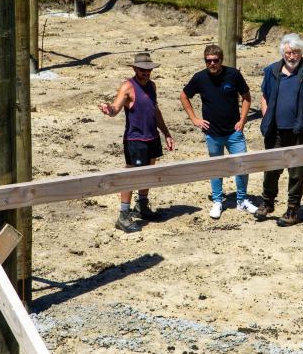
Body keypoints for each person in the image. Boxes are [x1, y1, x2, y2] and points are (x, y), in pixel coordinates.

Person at [99, 52, 175, 233]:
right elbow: (115, 108)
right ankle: (123, 215)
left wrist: (166, 133)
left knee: (148, 173)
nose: (146, 73)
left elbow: (155, 111)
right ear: (134, 69)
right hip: (135, 139)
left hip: (152, 137)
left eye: (149, 70)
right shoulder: (128, 87)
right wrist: (108, 109)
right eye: (142, 70)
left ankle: (142, 206)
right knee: (131, 176)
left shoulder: (152, 86)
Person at [256, 33, 303, 227]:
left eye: (295, 52)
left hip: (299, 132)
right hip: (275, 130)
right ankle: (268, 202)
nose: (292, 56)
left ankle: (293, 210)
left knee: (297, 172)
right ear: (283, 53)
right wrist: (266, 115)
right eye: (288, 53)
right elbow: (264, 96)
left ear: (300, 52)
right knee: (271, 168)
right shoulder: (272, 71)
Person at [180, 45, 257, 219]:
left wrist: (243, 120)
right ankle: (217, 200)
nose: (212, 63)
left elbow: (246, 97)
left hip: (234, 131)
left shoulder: (233, 75)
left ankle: (242, 200)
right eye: (209, 60)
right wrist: (194, 119)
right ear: (205, 61)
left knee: (242, 164)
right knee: (216, 167)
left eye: (216, 60)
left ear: (222, 60)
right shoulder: (199, 78)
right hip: (212, 132)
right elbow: (184, 96)